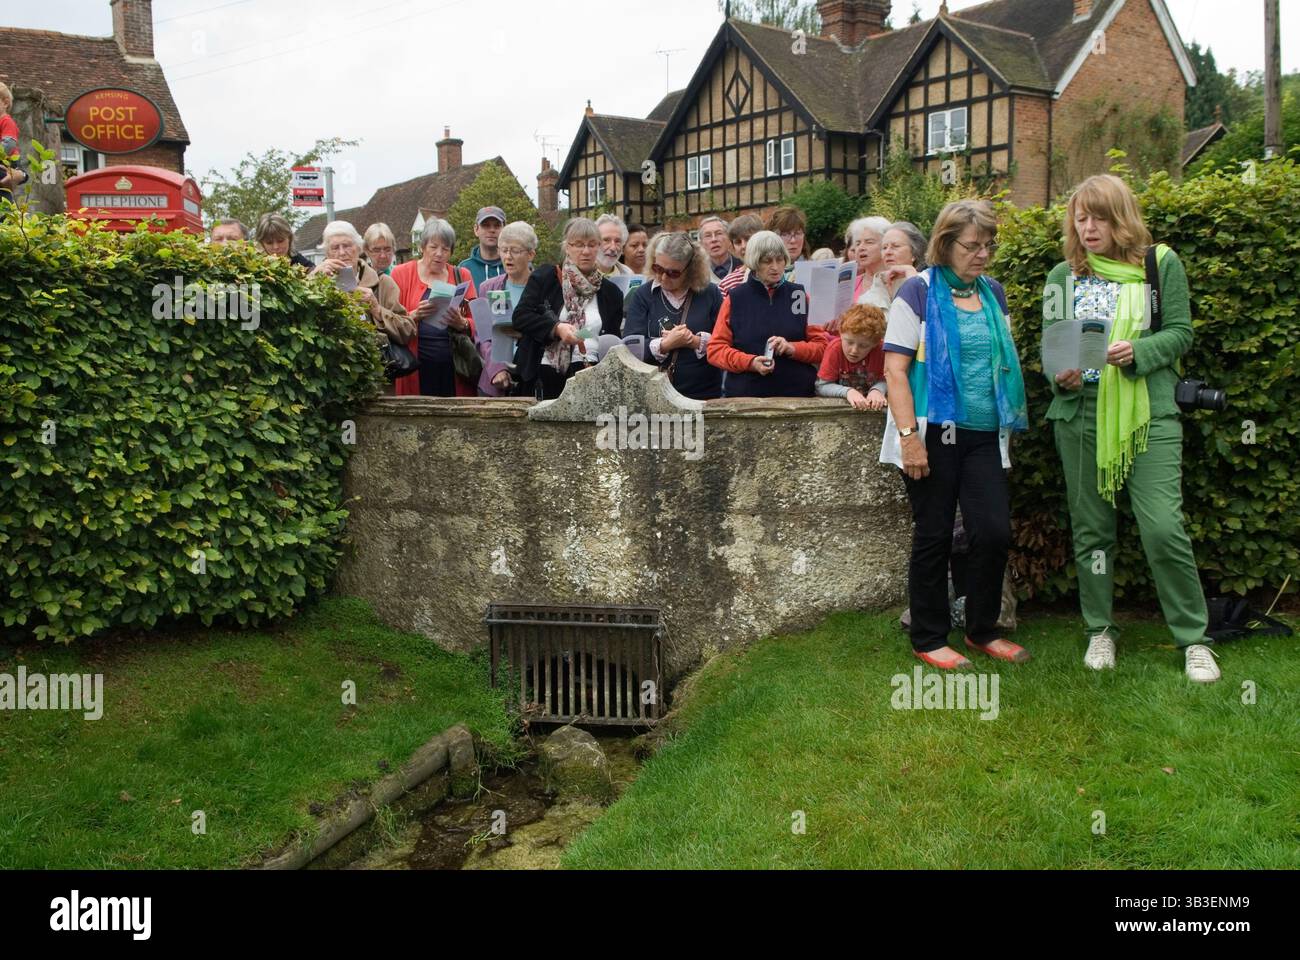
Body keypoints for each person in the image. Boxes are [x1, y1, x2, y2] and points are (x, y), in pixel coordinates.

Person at [1044, 174, 1218, 683]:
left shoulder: (1158, 266)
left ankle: (1193, 639)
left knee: (1163, 526)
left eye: (1099, 217)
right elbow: (1052, 345)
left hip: (1148, 411)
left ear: (1121, 218)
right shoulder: (1063, 275)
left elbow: (1181, 333)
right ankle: (1100, 629)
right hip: (1080, 416)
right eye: (1081, 217)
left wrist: (1139, 352)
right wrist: (1062, 374)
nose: (1089, 227)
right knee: (1093, 532)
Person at [881, 199, 1030, 670]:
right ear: (945, 245)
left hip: (984, 433)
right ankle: (928, 636)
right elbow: (895, 370)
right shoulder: (917, 293)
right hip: (930, 431)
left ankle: (982, 629)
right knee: (935, 534)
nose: (982, 254)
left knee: (992, 531)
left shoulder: (994, 294)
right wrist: (909, 437)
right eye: (972, 245)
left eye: (989, 245)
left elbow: (998, 364)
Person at [512, 217, 624, 399]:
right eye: (578, 245)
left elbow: (609, 337)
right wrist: (556, 328)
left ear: (599, 247)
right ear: (567, 247)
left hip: (590, 375)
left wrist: (581, 334)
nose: (586, 251)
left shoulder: (611, 293)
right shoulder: (546, 278)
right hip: (546, 373)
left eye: (592, 244)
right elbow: (520, 317)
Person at [707, 230, 827, 398]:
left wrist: (793, 348)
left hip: (797, 397)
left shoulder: (798, 296)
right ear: (754, 263)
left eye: (780, 260)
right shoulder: (736, 298)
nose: (776, 267)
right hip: (747, 399)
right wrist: (750, 362)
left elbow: (821, 346)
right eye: (767, 261)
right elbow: (715, 350)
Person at [306, 220, 414, 396]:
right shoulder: (316, 283)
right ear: (326, 253)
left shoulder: (383, 283)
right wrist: (312, 281)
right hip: (329, 386)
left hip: (375, 386)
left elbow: (408, 331)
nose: (342, 253)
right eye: (335, 248)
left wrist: (377, 309)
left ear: (358, 248)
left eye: (347, 245)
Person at [623, 231, 725, 400]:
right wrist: (664, 344)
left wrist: (694, 341)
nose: (662, 277)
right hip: (655, 394)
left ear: (691, 269)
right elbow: (631, 346)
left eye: (673, 273)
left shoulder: (710, 293)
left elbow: (725, 343)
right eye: (658, 268)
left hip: (704, 394)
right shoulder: (643, 294)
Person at [390, 218, 480, 397]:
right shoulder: (401, 273)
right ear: (422, 247)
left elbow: (478, 321)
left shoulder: (462, 275)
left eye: (445, 249)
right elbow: (389, 320)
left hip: (455, 369)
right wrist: (414, 315)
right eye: (433, 247)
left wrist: (462, 323)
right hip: (414, 367)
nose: (439, 253)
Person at [477, 220, 539, 395]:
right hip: (494, 385)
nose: (508, 256)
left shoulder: (544, 288)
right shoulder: (489, 288)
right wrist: (496, 369)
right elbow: (484, 336)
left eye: (515, 250)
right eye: (503, 250)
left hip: (532, 381)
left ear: (531, 254)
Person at [817, 303, 887, 411]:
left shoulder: (881, 351)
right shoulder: (835, 349)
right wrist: (848, 392)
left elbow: (890, 379)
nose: (854, 350)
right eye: (849, 342)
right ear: (841, 333)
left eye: (863, 346)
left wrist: (878, 390)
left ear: (875, 343)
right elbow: (821, 386)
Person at [860, 221, 927, 309]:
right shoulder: (865, 300)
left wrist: (911, 276)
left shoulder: (930, 287)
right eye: (884, 247)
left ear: (914, 253)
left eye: (896, 246)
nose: (887, 252)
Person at [845, 216, 892, 301]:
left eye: (869, 242)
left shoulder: (898, 282)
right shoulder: (848, 286)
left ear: (885, 246)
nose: (861, 248)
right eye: (858, 243)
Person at [718, 214, 765, 295]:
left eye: (748, 239)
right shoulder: (725, 285)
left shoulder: (779, 274)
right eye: (738, 242)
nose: (743, 246)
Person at [459, 206, 505, 288]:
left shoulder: (516, 267)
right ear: (476, 229)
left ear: (504, 229)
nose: (492, 230)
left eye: (497, 225)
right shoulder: (463, 269)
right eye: (486, 225)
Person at [0, 82, 28, 206]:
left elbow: (9, 143)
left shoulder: (6, 121)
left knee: (3, 189)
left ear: (5, 103)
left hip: (7, 161)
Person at [766, 205, 809, 281]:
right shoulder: (761, 273)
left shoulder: (812, 268)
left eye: (798, 233)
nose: (793, 240)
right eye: (785, 234)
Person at [698, 215, 741, 282]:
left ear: (729, 239)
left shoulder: (743, 267)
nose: (714, 239)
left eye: (719, 233)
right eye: (708, 236)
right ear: (701, 243)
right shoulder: (696, 274)